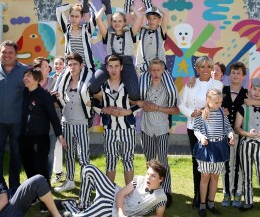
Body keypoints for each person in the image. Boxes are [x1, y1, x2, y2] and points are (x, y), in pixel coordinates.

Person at [0, 40, 29, 195]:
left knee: (16, 155)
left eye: (10, 52)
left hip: (17, 121)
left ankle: (14, 189)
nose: (7, 55)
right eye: (4, 52)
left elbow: (32, 92)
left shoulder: (24, 70)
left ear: (16, 54)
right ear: (0, 53)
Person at [178, 56, 223, 209]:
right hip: (194, 128)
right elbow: (181, 104)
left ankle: (209, 199)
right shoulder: (190, 83)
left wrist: (205, 111)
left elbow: (218, 104)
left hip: (213, 129)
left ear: (212, 69)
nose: (205, 70)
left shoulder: (218, 84)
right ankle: (198, 196)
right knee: (197, 161)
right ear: (196, 69)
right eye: (201, 67)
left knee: (211, 163)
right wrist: (192, 113)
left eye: (208, 67)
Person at [137, 58, 179, 208]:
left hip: (162, 128)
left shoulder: (169, 88)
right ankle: (151, 188)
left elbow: (176, 109)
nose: (155, 73)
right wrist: (143, 104)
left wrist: (157, 108)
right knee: (149, 160)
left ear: (163, 71)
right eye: (153, 70)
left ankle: (166, 192)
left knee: (162, 161)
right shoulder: (144, 86)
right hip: (146, 128)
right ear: (149, 70)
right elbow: (134, 100)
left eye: (158, 70)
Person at [93, 55, 140, 186]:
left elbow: (140, 103)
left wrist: (129, 111)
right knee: (110, 161)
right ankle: (109, 195)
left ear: (122, 67)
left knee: (128, 161)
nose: (114, 70)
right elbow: (92, 103)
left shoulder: (129, 85)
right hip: (110, 129)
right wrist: (104, 110)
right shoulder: (101, 85)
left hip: (127, 129)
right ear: (106, 68)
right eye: (111, 66)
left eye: (117, 66)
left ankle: (129, 194)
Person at [0, 151, 63, 217]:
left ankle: (56, 215)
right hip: (2, 214)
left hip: (12, 201)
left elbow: (3, 200)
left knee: (39, 180)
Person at [62, 159, 167, 217]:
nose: (148, 177)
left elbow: (158, 216)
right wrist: (121, 214)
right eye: (147, 173)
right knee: (88, 169)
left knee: (85, 215)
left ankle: (70, 206)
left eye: (153, 176)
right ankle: (82, 206)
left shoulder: (161, 197)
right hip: (113, 193)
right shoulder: (140, 179)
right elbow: (121, 194)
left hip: (113, 210)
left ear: (161, 179)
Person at [19, 68, 67, 186]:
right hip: (24, 137)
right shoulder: (24, 93)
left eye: (29, 76)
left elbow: (53, 116)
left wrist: (59, 135)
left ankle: (45, 197)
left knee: (40, 168)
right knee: (28, 166)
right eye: (24, 76)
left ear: (37, 80)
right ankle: (34, 194)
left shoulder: (44, 96)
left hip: (40, 139)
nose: (25, 78)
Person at [54, 53, 93, 194]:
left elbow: (96, 97)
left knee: (83, 156)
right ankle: (69, 181)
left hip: (82, 123)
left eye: (75, 64)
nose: (72, 67)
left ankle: (86, 183)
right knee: (69, 154)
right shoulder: (63, 82)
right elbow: (59, 103)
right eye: (69, 65)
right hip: (66, 122)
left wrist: (92, 103)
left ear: (81, 65)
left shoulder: (87, 82)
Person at [194, 89, 235, 217]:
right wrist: (201, 137)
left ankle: (211, 204)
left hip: (219, 148)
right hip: (206, 149)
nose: (219, 104)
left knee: (215, 177)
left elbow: (228, 128)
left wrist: (231, 135)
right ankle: (202, 205)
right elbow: (196, 129)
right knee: (205, 177)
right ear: (208, 100)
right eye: (216, 102)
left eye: (220, 102)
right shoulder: (202, 114)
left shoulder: (222, 113)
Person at [89, 5, 143, 101]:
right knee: (92, 86)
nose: (117, 23)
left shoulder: (130, 33)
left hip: (127, 63)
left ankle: (124, 104)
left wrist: (131, 7)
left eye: (120, 21)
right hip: (111, 63)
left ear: (124, 23)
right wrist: (105, 7)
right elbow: (98, 18)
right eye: (114, 21)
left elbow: (140, 17)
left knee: (135, 94)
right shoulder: (107, 34)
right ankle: (106, 101)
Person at [234, 77, 260, 215]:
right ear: (251, 89)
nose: (256, 92)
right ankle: (248, 201)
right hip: (246, 145)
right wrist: (248, 133)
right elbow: (237, 128)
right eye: (254, 89)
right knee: (246, 175)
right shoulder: (243, 108)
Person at [220, 61, 247, 207]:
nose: (235, 75)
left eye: (238, 73)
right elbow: (213, 105)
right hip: (225, 134)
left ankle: (238, 192)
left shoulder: (247, 93)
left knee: (238, 164)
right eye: (233, 72)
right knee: (226, 164)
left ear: (243, 76)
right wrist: (221, 111)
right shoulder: (223, 90)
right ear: (229, 75)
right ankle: (226, 192)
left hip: (240, 134)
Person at [56, 3, 96, 72]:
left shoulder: (87, 30)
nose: (74, 19)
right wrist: (71, 6)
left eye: (77, 16)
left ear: (81, 18)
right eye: (72, 16)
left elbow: (95, 17)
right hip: (72, 68)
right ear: (69, 17)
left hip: (87, 67)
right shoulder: (66, 29)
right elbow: (58, 10)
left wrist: (88, 4)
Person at [51, 56, 66, 184]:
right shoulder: (51, 80)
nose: (58, 66)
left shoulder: (68, 79)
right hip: (54, 115)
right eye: (56, 64)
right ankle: (58, 172)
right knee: (56, 145)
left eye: (60, 63)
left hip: (66, 114)